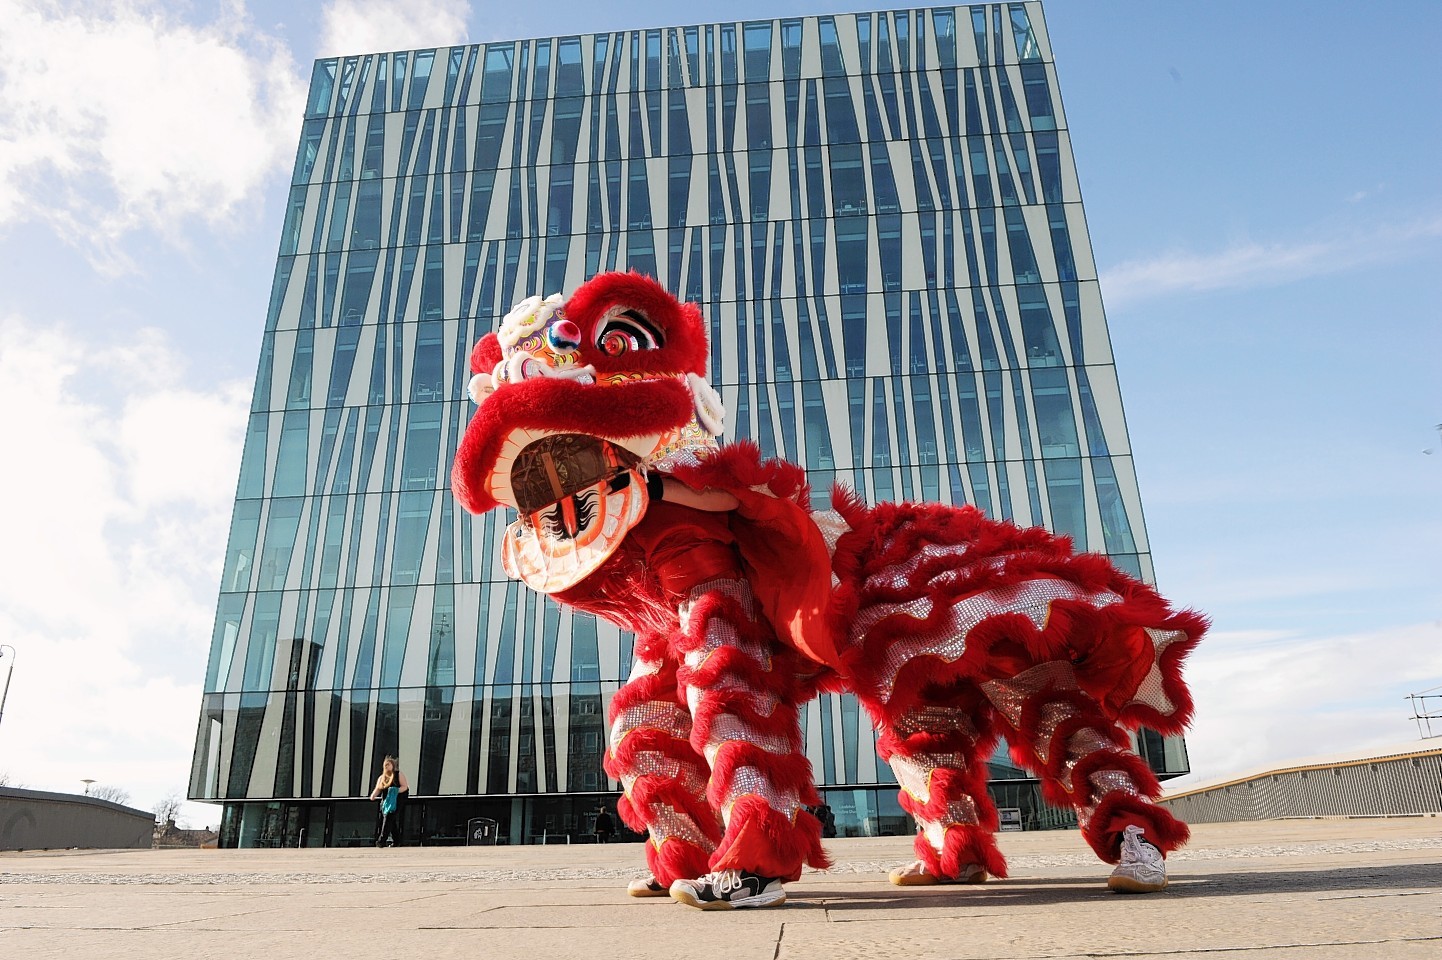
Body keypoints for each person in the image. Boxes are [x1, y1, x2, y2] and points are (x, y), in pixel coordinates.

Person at [369, 756, 409, 847]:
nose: (387, 766)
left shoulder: (398, 774)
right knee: (391, 820)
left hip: (396, 800)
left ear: (393, 765)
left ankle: (381, 840)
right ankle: (397, 840)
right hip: (386, 801)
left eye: (389, 764)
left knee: (388, 817)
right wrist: (373, 795)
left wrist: (394, 791)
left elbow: (404, 787)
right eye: (385, 765)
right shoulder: (382, 777)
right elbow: (378, 788)